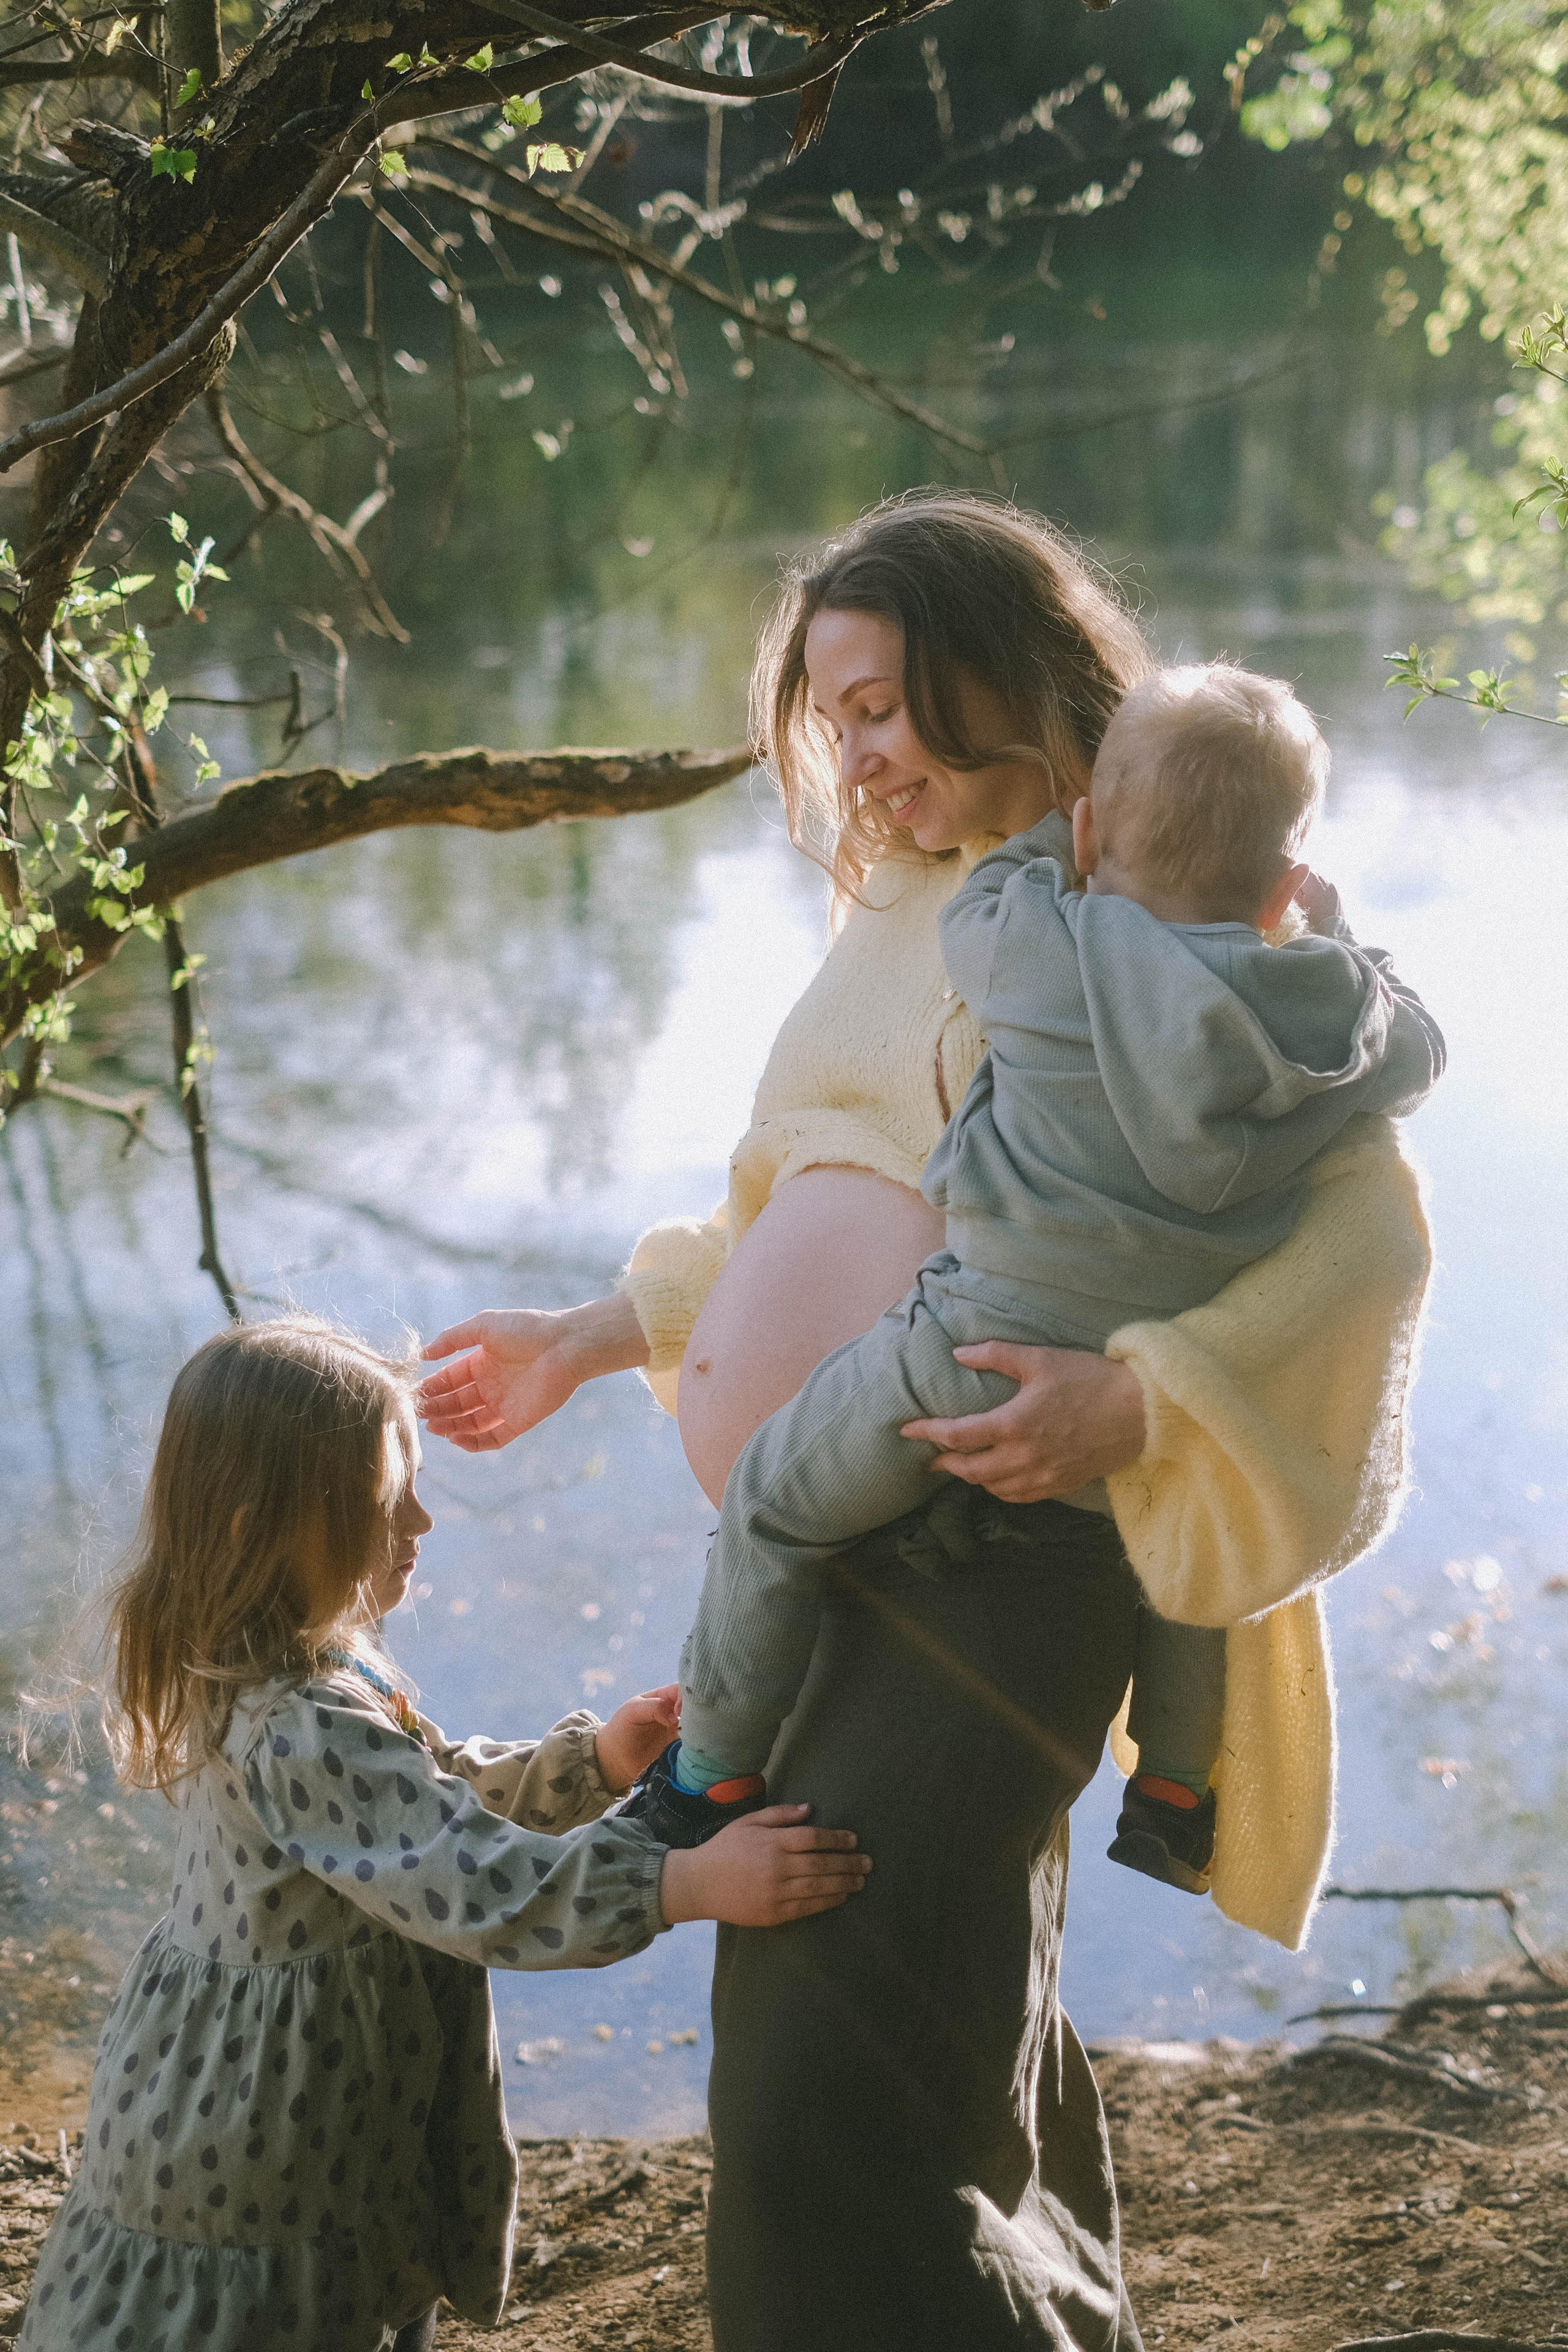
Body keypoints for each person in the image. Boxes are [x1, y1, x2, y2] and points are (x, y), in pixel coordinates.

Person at [420, 492, 1433, 2350]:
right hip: (846, 1555)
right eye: (831, 717)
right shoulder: (908, 906)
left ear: (1006, 674)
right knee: (956, 2022)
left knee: (831, 2060)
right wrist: (588, 1332)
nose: (857, 758)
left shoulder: (1159, 907)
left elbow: (1369, 1244)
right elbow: (808, 1186)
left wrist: (1142, 1403)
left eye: (885, 706)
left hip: (996, 1553)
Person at [622, 662, 1444, 1903]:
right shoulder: (1320, 1015)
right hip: (1134, 1356)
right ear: (1279, 883)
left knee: (772, 1515)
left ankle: (709, 1770)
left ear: (1092, 830)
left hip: (968, 1344)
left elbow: (986, 908)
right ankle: (1172, 1787)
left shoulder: (1050, 947)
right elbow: (1416, 1047)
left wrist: (1060, 841)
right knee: (1176, 1554)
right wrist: (1324, 936)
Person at [21, 1315, 869, 2352]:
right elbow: (483, 1890)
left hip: (255, 2096)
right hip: (266, 2142)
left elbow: (424, 1807)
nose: (421, 1521)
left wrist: (592, 1762)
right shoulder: (299, 1723)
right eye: (386, 1501)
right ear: (259, 1528)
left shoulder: (281, 1662)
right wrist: (684, 1881)